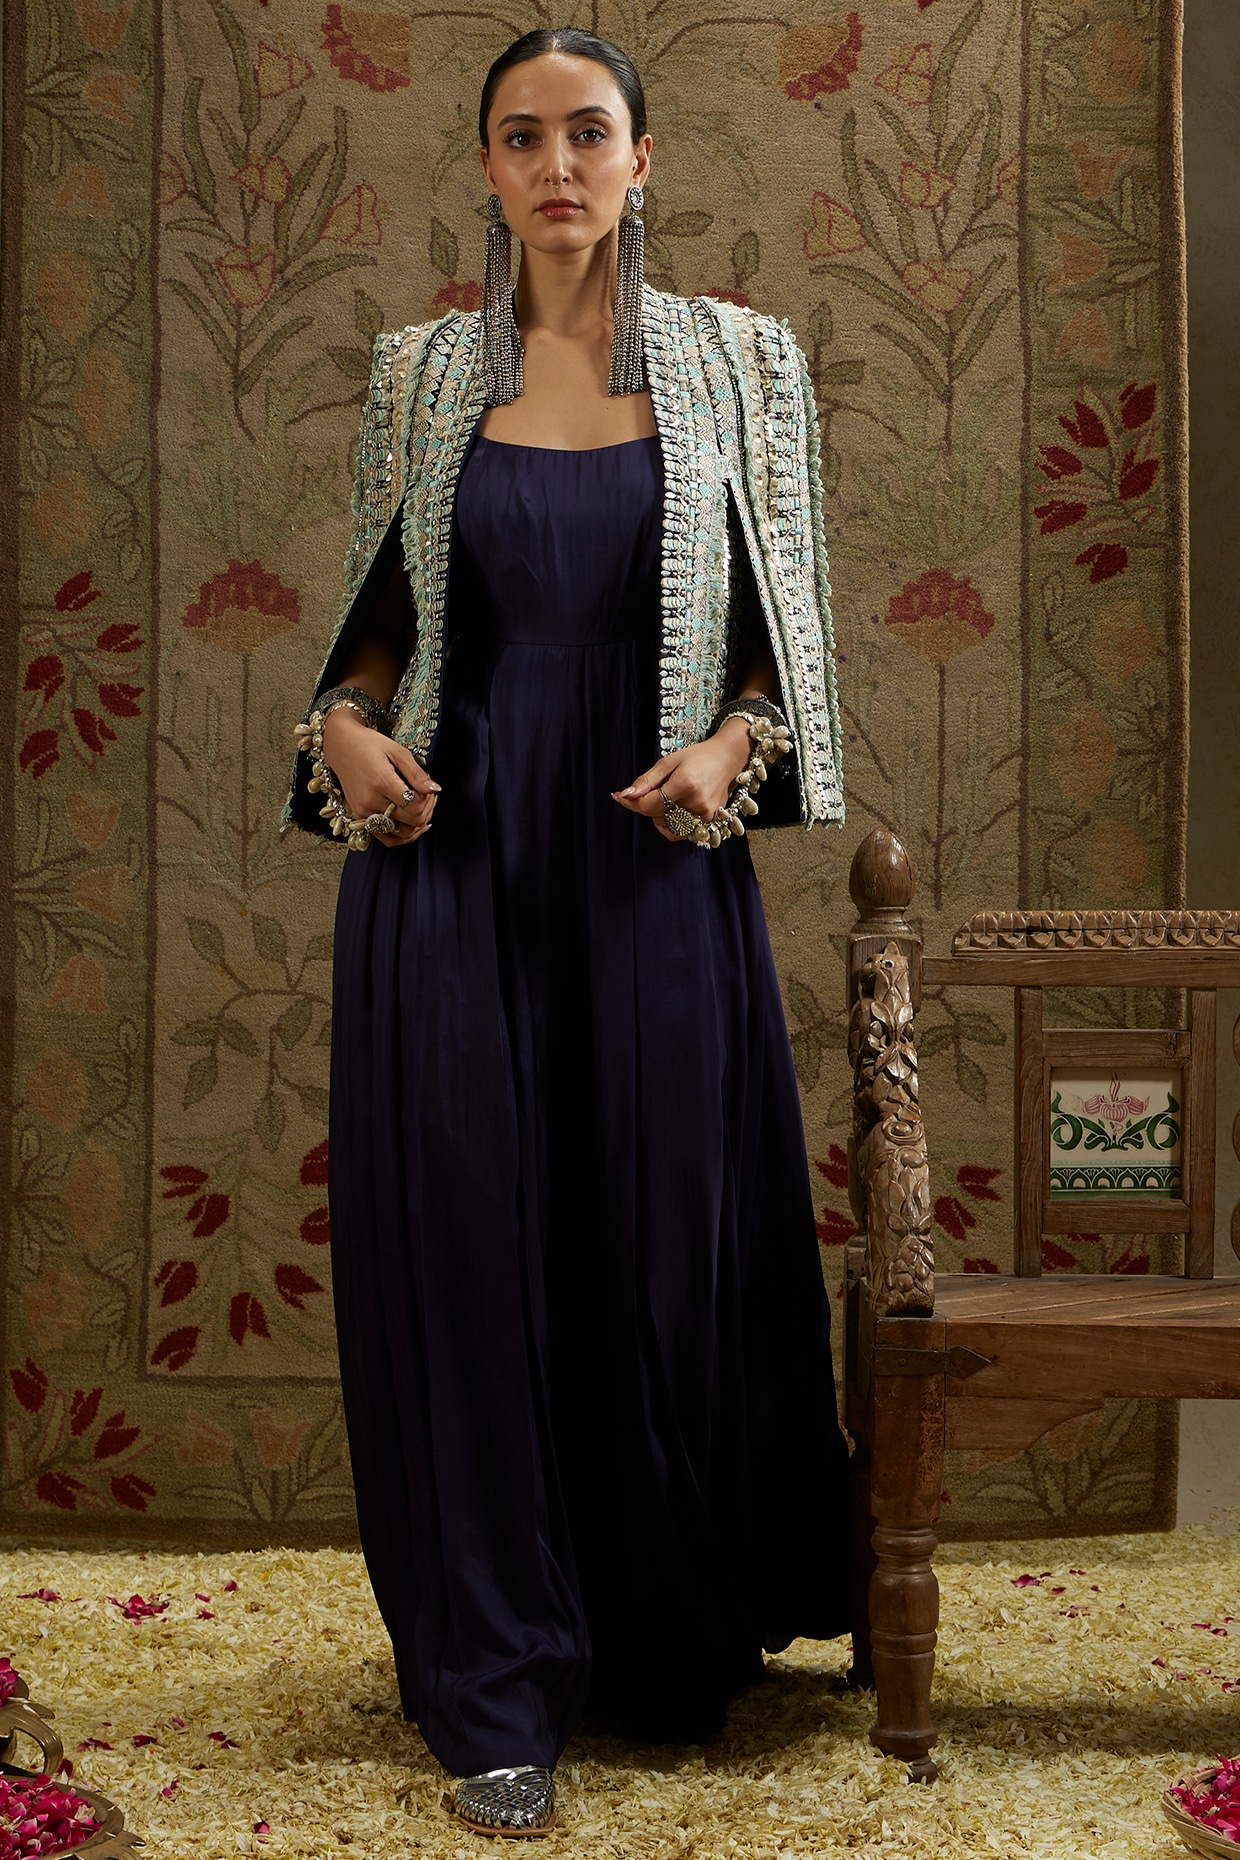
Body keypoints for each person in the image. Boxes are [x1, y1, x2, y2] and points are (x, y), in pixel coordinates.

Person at [285, 26, 849, 1840]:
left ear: (643, 157)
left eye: (587, 134)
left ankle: (660, 1633)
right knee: (465, 1248)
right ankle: (497, 1680)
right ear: (486, 167)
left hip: (652, 855)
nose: (557, 167)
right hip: (451, 857)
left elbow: (783, 635)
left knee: (655, 1235)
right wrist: (345, 728)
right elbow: (377, 624)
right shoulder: (419, 373)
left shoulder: (744, 362)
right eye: (522, 137)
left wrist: (731, 749)